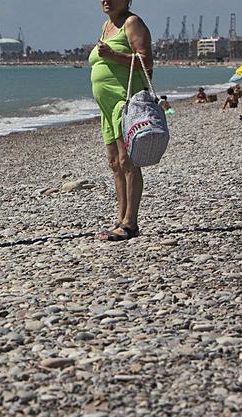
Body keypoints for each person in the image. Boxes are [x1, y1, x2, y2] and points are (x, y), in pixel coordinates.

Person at [90, 0, 153, 242]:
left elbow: (146, 61)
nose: (106, 0)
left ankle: (130, 223)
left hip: (125, 102)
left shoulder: (132, 22)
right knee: (115, 163)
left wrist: (113, 55)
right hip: (107, 108)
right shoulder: (107, 26)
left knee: (128, 161)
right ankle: (120, 218)